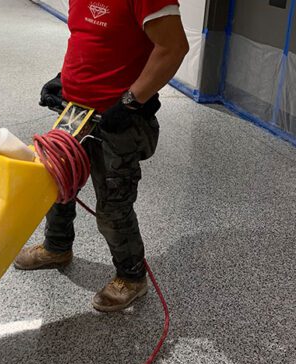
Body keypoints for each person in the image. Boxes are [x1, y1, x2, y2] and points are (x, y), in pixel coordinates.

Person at [14, 0, 189, 312]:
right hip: (74, 111)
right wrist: (63, 80)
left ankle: (132, 277)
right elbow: (93, 41)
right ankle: (57, 246)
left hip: (118, 119)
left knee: (113, 205)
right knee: (55, 182)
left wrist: (130, 103)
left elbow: (173, 48)